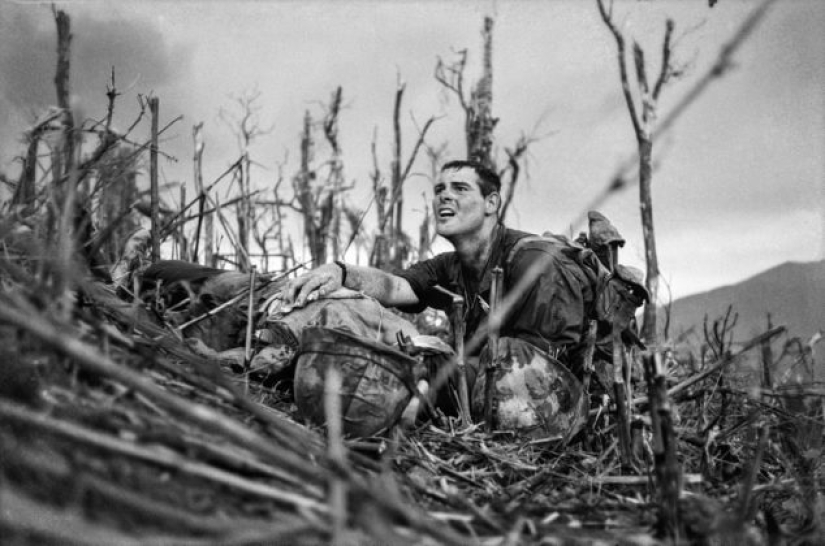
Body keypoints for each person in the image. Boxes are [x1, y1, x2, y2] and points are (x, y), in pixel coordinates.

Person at [278, 159, 613, 373]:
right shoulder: (451, 265)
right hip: (485, 384)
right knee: (352, 310)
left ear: (491, 203)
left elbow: (539, 375)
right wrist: (341, 273)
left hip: (546, 399)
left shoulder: (535, 262)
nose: (444, 197)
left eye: (460, 188)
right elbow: (396, 287)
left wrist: (432, 368)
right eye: (439, 190)